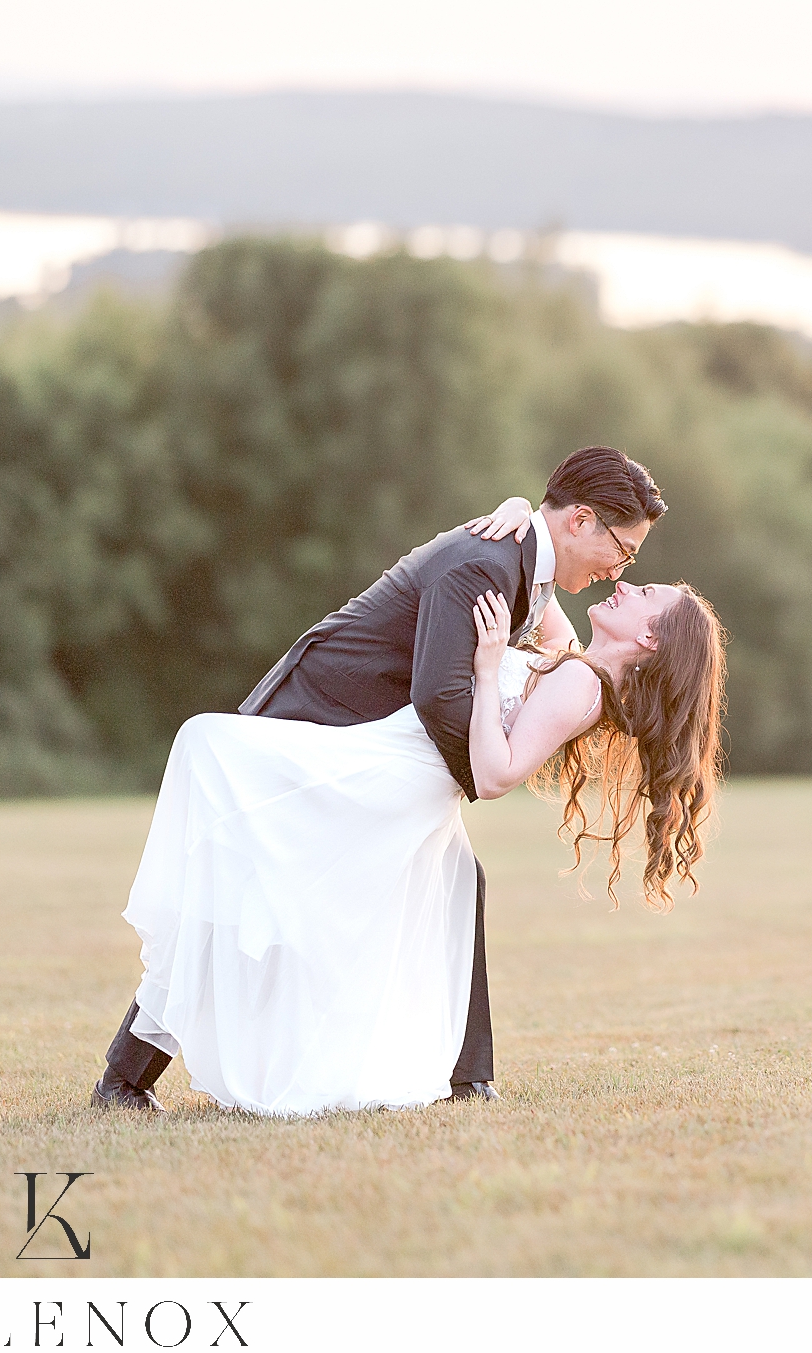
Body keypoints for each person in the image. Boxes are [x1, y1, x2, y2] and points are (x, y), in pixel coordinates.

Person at [87, 445, 713, 1112]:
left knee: (451, 877)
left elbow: (539, 652)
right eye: (624, 549)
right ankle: (126, 1075)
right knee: (249, 898)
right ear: (581, 520)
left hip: (381, 746)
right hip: (323, 723)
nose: (621, 570)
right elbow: (442, 698)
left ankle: (465, 1076)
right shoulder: (489, 561)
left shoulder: (528, 574)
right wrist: (478, 771)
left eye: (635, 569)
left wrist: (523, 520)